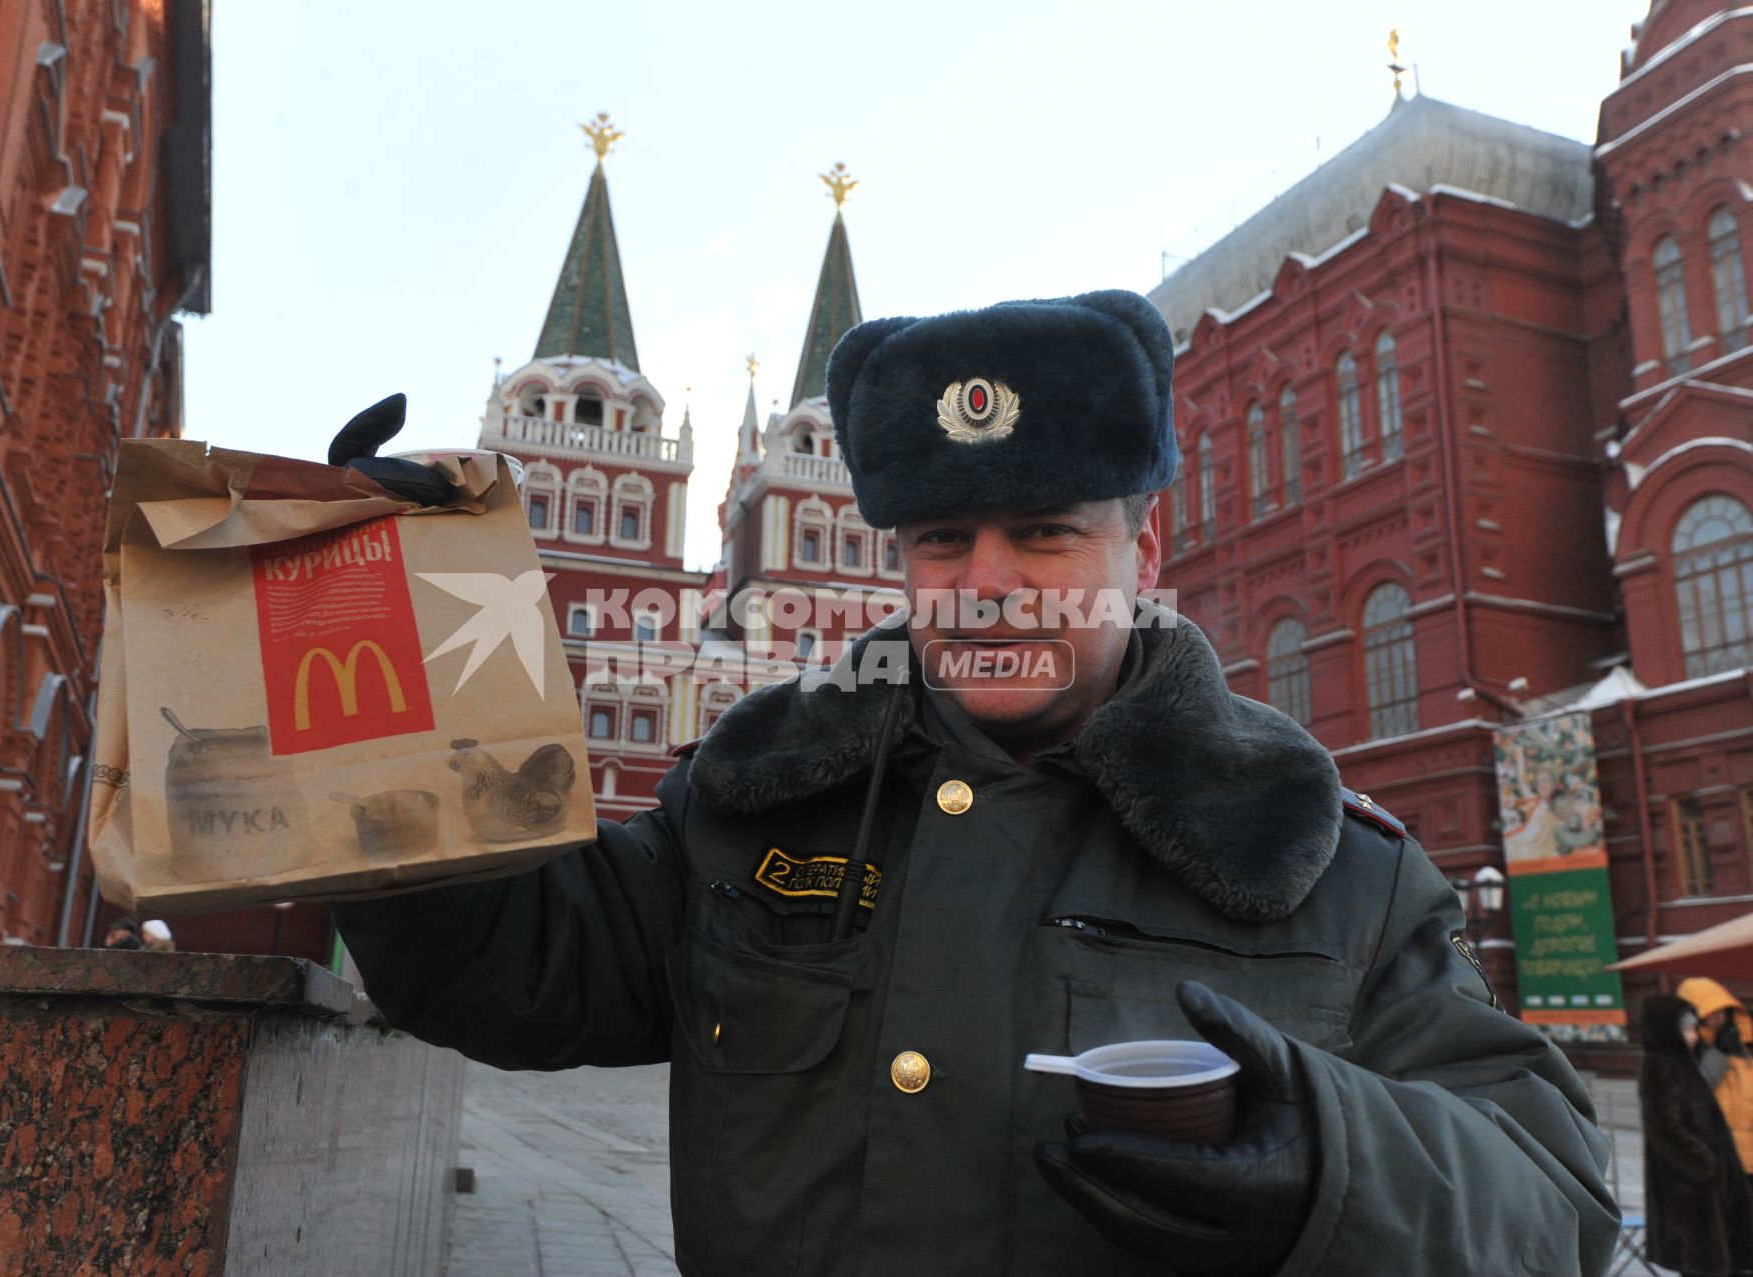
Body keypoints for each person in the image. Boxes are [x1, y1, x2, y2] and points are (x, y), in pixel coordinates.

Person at [331, 291, 1618, 1275]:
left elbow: (1555, 1196)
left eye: (1047, 530)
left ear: (1140, 552)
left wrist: (1336, 1163)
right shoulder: (753, 810)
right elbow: (493, 959)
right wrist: (410, 644)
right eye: (945, 537)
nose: (989, 576)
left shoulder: (1318, 860)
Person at [1638, 993, 1753, 1276]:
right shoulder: (1659, 1066)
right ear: (1667, 1030)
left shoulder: (1682, 1062)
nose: (1692, 1035)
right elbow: (1663, 1126)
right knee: (1702, 1261)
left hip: (1710, 1184)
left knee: (1724, 1257)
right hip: (1690, 1189)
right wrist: (1703, 1161)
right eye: (1686, 1029)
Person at [1679, 977, 1753, 1192]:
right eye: (1709, 1012)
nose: (1717, 1017)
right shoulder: (1690, 1052)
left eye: (1721, 1010)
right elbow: (1693, 1095)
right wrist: (1720, 1054)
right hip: (1719, 1162)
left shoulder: (1745, 1045)